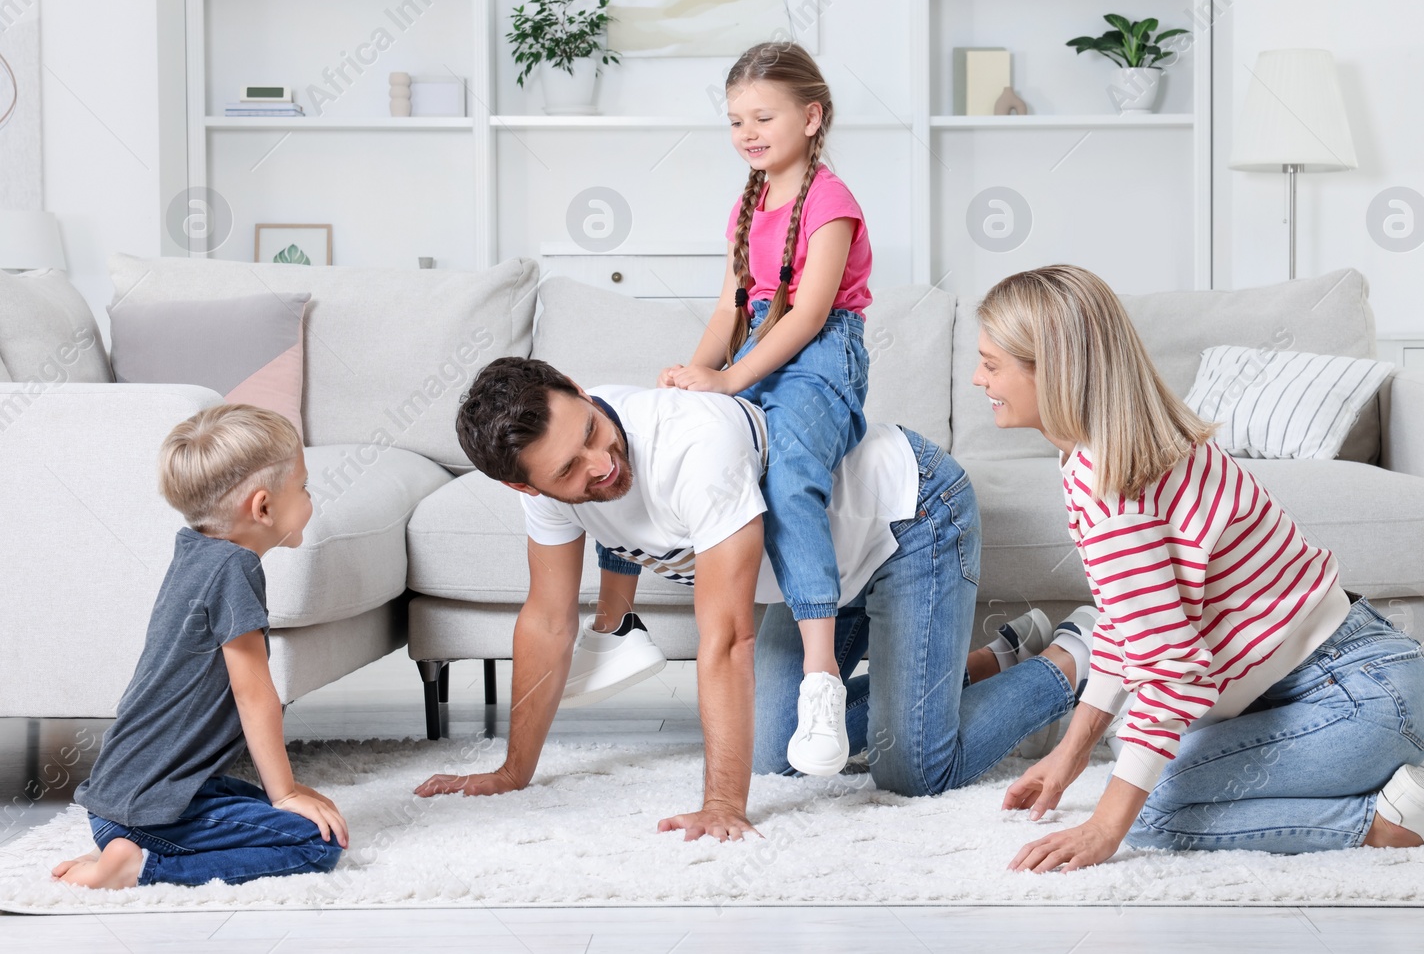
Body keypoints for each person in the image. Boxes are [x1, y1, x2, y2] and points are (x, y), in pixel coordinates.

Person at [969, 265, 1424, 873]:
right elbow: (1127, 626)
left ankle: (1387, 823)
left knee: (1151, 812)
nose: (979, 379)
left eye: (992, 365)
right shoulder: (1122, 448)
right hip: (1357, 680)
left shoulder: (1114, 487)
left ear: (1052, 369)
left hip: (1360, 699)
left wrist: (1106, 827)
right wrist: (1072, 754)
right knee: (1134, 754)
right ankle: (1366, 773)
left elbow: (1171, 673)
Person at [414, 359, 1080, 838]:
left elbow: (727, 636)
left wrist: (723, 804)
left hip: (908, 518)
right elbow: (548, 620)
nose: (600, 463)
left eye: (590, 429)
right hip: (816, 577)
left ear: (581, 392)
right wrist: (513, 768)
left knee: (914, 768)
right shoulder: (555, 495)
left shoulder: (692, 445)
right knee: (776, 753)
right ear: (528, 489)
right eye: (568, 470)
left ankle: (1083, 654)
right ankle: (981, 662)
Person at [656, 41, 873, 776]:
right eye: (735, 119)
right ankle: (613, 623)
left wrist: (731, 380)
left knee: (785, 477)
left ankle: (821, 677)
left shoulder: (830, 201)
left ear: (811, 118)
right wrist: (698, 373)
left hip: (820, 359)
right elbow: (730, 307)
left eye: (763, 116)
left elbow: (808, 316)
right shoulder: (746, 203)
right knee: (673, 445)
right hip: (757, 348)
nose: (748, 132)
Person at [53, 404, 347, 888]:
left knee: (308, 806)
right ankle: (142, 864)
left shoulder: (195, 550)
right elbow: (254, 697)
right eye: (304, 487)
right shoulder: (236, 569)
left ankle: (120, 843)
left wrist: (286, 793)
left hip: (119, 798)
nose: (310, 498)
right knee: (316, 842)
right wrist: (285, 794)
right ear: (264, 508)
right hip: (150, 809)